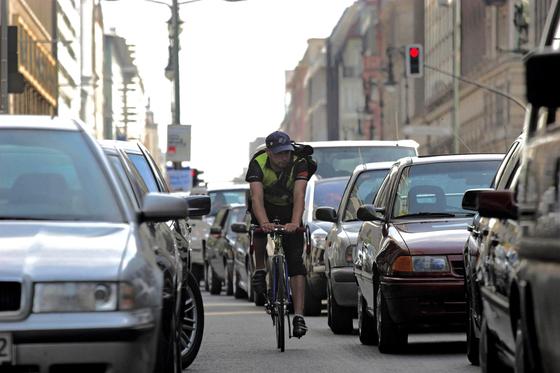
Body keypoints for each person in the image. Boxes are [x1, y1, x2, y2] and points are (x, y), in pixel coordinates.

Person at [245, 130, 309, 338]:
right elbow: (256, 198)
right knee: (258, 225)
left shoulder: (299, 162)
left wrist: (294, 222)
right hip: (266, 205)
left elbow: (299, 194)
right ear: (269, 152)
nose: (284, 158)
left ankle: (298, 316)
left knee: (295, 262)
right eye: (280, 154)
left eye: (287, 153)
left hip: (290, 207)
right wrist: (263, 222)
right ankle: (261, 269)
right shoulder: (258, 163)